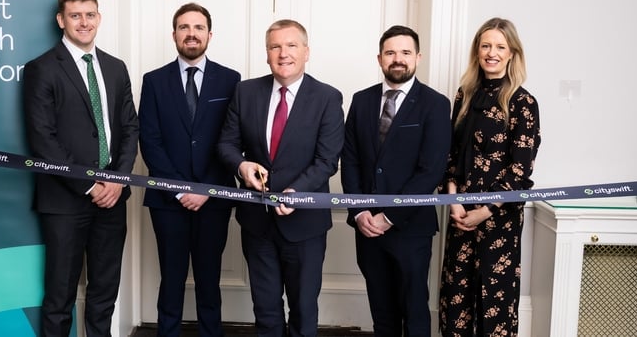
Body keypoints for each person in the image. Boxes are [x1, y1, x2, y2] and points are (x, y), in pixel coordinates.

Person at [23, 0, 139, 337]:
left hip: (113, 199)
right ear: (61, 20)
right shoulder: (41, 69)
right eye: (75, 15)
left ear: (99, 18)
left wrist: (117, 180)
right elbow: (43, 140)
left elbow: (130, 127)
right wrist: (90, 184)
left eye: (90, 14)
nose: (83, 22)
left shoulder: (116, 68)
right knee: (60, 296)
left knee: (104, 292)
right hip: (65, 200)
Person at [217, 19, 344, 337]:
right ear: (267, 53)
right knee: (266, 310)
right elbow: (226, 144)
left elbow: (327, 161)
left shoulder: (327, 97)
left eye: (291, 46)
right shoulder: (246, 92)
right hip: (257, 224)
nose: (283, 53)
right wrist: (242, 168)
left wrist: (294, 192)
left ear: (306, 52)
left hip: (304, 226)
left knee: (303, 312)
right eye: (275, 46)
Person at [341, 25, 451, 337]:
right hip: (367, 228)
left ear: (418, 57)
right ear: (379, 58)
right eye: (390, 52)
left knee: (414, 311)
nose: (398, 59)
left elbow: (431, 170)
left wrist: (390, 217)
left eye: (405, 52)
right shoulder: (361, 101)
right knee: (382, 313)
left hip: (410, 228)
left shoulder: (435, 104)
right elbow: (349, 160)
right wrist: (359, 212)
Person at [139, 3, 241, 337]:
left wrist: (205, 190)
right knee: (171, 276)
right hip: (168, 202)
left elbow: (232, 139)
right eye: (184, 27)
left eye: (198, 27)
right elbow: (150, 141)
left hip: (214, 199)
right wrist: (182, 190)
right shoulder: (154, 81)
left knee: (209, 277)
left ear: (210, 35)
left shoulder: (231, 80)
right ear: (174, 35)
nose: (191, 34)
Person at [438, 17, 541, 337]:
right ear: (477, 51)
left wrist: (483, 211)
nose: (491, 53)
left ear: (512, 53)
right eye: (485, 46)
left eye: (499, 46)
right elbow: (451, 155)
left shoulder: (523, 103)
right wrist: (454, 202)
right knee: (457, 298)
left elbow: (521, 171)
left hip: (499, 219)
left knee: (494, 298)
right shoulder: (464, 96)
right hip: (460, 216)